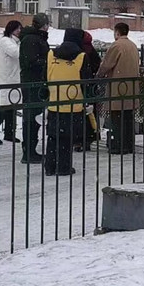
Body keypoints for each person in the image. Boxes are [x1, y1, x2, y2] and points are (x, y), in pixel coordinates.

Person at [97, 22, 142, 154]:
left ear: (117, 32)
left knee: (117, 118)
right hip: (131, 87)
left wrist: (99, 75)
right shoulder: (133, 46)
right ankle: (129, 145)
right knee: (128, 117)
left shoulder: (116, 45)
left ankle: (118, 146)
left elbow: (106, 64)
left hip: (118, 87)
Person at [45, 28, 85, 176]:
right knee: (67, 137)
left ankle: (50, 166)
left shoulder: (51, 54)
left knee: (53, 135)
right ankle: (64, 167)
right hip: (73, 104)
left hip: (54, 102)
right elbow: (86, 80)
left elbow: (46, 75)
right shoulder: (81, 56)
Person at [17, 13, 50, 163]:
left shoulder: (35, 38)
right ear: (43, 25)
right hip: (33, 82)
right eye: (47, 24)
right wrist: (47, 62)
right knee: (31, 117)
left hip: (35, 82)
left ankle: (30, 150)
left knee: (35, 116)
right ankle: (29, 152)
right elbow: (31, 61)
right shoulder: (32, 39)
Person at [0, 20, 22, 146]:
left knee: (11, 108)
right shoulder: (5, 41)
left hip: (12, 79)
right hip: (5, 80)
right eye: (17, 28)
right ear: (11, 29)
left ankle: (9, 133)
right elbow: (16, 53)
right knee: (1, 108)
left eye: (20, 28)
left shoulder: (16, 42)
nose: (19, 31)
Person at [78, 31, 102, 151]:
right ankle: (92, 135)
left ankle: (82, 140)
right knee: (90, 112)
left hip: (82, 86)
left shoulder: (80, 51)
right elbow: (98, 64)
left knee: (83, 112)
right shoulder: (91, 50)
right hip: (91, 85)